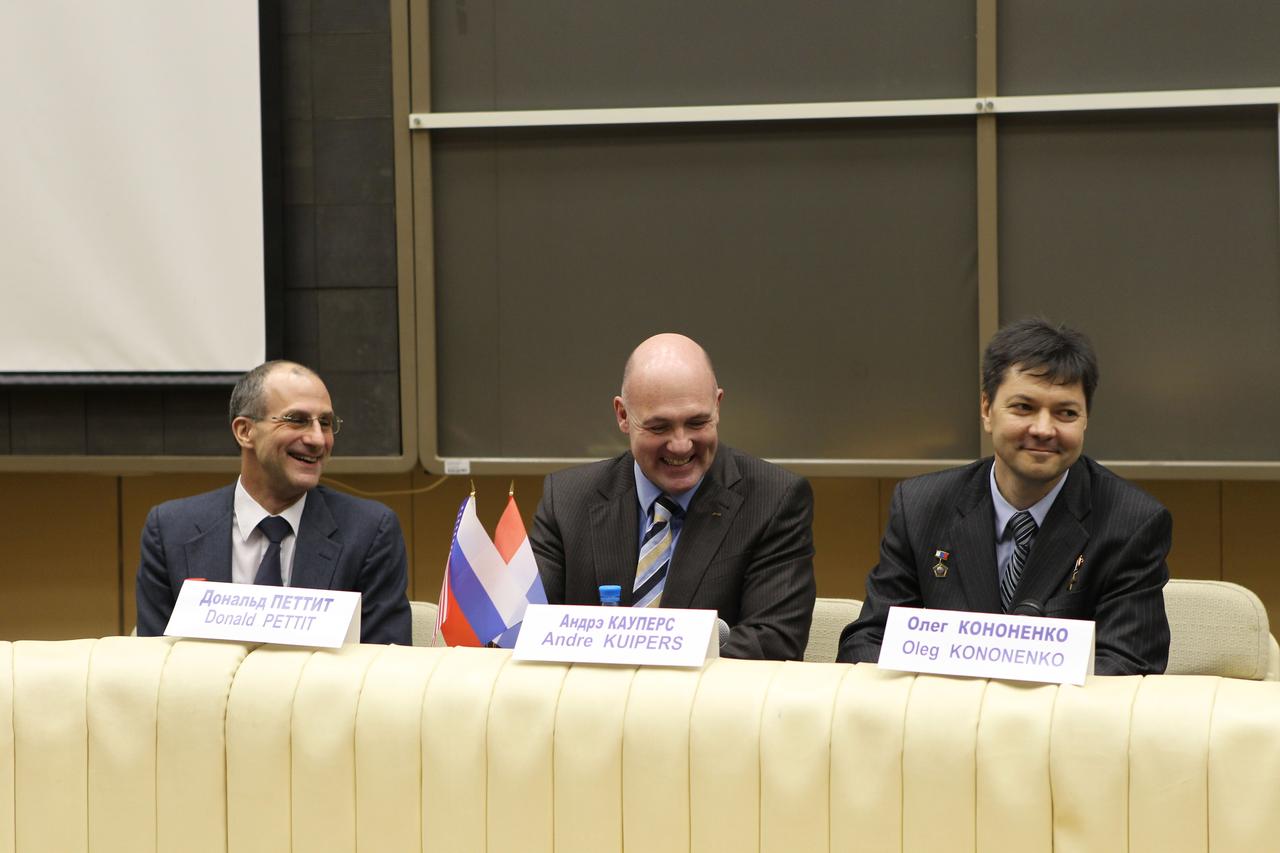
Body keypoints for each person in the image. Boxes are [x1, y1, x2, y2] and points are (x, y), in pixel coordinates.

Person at [837, 318, 1171, 675]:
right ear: (986, 409)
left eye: (1066, 413)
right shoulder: (920, 506)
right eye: (1024, 407)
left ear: (1086, 419)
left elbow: (1130, 666)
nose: (1044, 429)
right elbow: (867, 643)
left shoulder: (1131, 521)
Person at [530, 333, 816, 660]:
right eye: (659, 427)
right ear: (623, 416)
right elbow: (523, 631)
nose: (681, 445)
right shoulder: (567, 500)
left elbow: (773, 644)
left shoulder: (774, 501)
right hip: (589, 705)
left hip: (706, 708)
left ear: (718, 406)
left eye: (697, 422)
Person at [135, 361, 411, 644]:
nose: (318, 439)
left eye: (325, 423)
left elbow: (386, 673)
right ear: (245, 431)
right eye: (297, 419)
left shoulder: (369, 532)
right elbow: (155, 669)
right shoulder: (171, 531)